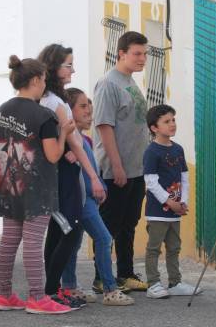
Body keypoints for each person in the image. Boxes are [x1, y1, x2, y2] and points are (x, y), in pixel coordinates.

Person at [0, 55, 75, 315]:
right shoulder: (44, 115)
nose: (44, 85)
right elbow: (53, 156)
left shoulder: (1, 110)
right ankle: (37, 297)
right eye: (44, 81)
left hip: (5, 185)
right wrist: (64, 133)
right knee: (33, 243)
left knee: (9, 240)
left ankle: (5, 296)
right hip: (36, 189)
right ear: (36, 80)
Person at [37, 44, 107, 310]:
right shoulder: (56, 101)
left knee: (58, 231)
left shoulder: (47, 98)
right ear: (54, 68)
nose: (72, 69)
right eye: (68, 64)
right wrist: (93, 176)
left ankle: (51, 289)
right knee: (69, 230)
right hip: (63, 176)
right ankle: (53, 290)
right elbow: (75, 141)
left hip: (52, 173)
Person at [61, 87, 135, 306]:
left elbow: (90, 168)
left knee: (73, 244)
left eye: (90, 108)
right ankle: (110, 290)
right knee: (103, 239)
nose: (88, 113)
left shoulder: (85, 141)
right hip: (81, 201)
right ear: (69, 110)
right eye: (82, 107)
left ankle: (70, 286)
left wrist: (100, 185)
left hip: (88, 200)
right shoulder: (70, 143)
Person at [93, 31, 150, 292]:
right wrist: (116, 165)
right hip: (116, 170)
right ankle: (100, 277)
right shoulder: (109, 84)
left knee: (129, 224)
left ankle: (125, 274)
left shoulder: (129, 81)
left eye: (145, 54)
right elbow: (104, 126)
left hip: (136, 168)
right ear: (122, 54)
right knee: (108, 226)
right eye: (137, 54)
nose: (142, 59)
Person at [142, 104, 202, 299]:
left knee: (174, 247)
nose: (172, 124)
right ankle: (153, 284)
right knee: (154, 247)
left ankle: (175, 282)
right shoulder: (152, 151)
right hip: (158, 210)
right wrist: (169, 201)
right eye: (166, 121)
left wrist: (182, 201)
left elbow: (184, 176)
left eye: (173, 120)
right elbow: (151, 181)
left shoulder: (178, 149)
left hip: (175, 210)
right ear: (154, 128)